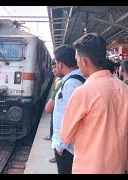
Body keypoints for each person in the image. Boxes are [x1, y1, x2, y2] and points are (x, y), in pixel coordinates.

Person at [59, 33, 128, 174]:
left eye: (77, 60)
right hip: (118, 166)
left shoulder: (83, 92)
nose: (77, 64)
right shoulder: (126, 90)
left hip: (89, 167)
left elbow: (65, 136)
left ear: (84, 61)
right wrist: (125, 163)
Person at [52, 45, 85, 174]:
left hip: (68, 148)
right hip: (70, 145)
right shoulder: (76, 79)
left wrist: (60, 145)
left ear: (60, 64)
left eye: (55, 63)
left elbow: (69, 117)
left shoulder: (71, 83)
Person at [43, 59, 62, 163]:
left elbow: (48, 109)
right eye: (52, 68)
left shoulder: (63, 83)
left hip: (63, 143)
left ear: (61, 65)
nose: (53, 70)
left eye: (55, 67)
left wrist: (60, 146)